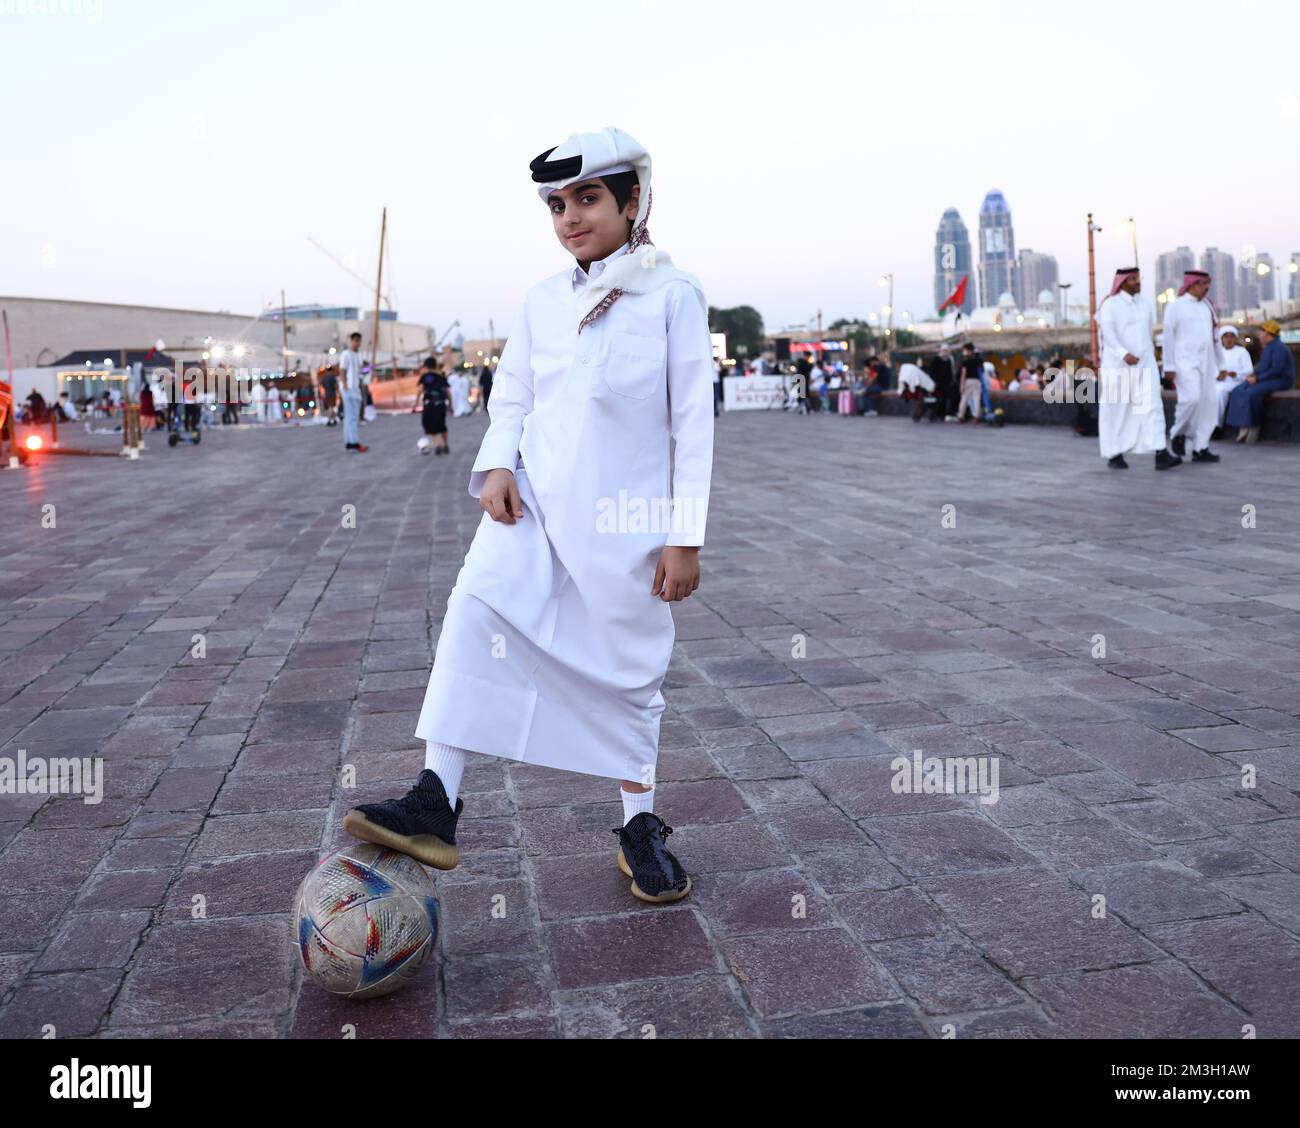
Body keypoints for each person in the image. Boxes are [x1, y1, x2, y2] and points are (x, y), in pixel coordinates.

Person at [343, 127, 713, 904]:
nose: (570, 218)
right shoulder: (542, 301)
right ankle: (436, 799)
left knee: (630, 677)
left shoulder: (673, 296)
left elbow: (692, 426)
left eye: (587, 199)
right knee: (473, 613)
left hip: (626, 524)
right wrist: (498, 463)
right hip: (534, 510)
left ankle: (638, 824)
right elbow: (511, 395)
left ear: (633, 201)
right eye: (557, 205)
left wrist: (685, 539)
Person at [1095, 267, 1179, 470]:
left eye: (1137, 278)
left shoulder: (1146, 304)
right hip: (1118, 366)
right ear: (1121, 282)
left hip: (1145, 363)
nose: (1137, 282)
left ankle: (1160, 452)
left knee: (1153, 405)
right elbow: (1109, 335)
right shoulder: (1110, 305)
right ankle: (1115, 454)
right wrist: (1124, 354)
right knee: (1118, 409)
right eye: (1132, 279)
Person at [1163, 269, 1220, 462]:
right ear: (1193, 284)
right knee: (1191, 399)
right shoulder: (1175, 307)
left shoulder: (1207, 307)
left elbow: (1215, 338)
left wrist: (1222, 365)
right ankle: (1177, 433)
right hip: (1184, 362)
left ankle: (1200, 447)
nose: (1207, 287)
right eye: (1204, 283)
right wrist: (1168, 366)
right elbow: (1168, 338)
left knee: (1208, 404)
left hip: (1207, 362)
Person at [1225, 319, 1295, 443]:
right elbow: (1263, 366)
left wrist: (1257, 379)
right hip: (1266, 378)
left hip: (1280, 380)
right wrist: (1253, 374)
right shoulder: (1268, 347)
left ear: (1268, 334)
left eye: (1261, 332)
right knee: (1238, 390)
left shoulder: (1279, 348)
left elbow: (1276, 370)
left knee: (1252, 393)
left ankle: (1254, 426)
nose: (1259, 335)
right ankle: (1242, 424)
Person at [1213, 325, 1252, 434]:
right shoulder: (1217, 352)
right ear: (1222, 339)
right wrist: (1217, 375)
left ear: (1235, 339)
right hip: (1218, 381)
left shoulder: (1242, 352)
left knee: (1220, 393)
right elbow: (1210, 369)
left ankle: (1217, 426)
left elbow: (1249, 371)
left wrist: (1235, 374)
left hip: (1236, 382)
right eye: (1226, 336)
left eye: (1231, 336)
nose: (1228, 339)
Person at [339, 331, 368, 452]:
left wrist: (369, 368)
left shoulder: (358, 355)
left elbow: (360, 371)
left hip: (355, 388)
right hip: (349, 388)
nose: (357, 343)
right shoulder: (346, 354)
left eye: (359, 340)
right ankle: (354, 442)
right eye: (355, 340)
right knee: (352, 417)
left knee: (350, 416)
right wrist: (345, 385)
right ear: (351, 341)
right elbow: (342, 370)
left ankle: (349, 442)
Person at [415, 356, 450, 454]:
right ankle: (446, 444)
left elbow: (420, 391)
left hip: (429, 405)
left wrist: (415, 404)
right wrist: (450, 404)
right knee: (442, 425)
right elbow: (447, 392)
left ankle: (438, 445)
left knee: (429, 425)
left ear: (426, 366)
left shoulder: (425, 377)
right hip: (441, 404)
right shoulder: (441, 377)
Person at [956, 343, 983, 421]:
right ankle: (977, 416)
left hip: (968, 381)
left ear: (969, 351)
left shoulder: (965, 361)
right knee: (976, 399)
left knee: (964, 398)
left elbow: (963, 374)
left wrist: (961, 385)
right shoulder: (977, 360)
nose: (963, 352)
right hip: (977, 381)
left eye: (964, 350)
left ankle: (961, 416)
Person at [930, 345, 957, 420]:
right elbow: (932, 371)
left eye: (947, 351)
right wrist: (935, 381)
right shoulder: (936, 359)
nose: (945, 352)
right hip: (937, 383)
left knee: (945, 399)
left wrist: (952, 380)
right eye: (944, 350)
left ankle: (942, 414)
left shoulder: (949, 360)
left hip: (947, 383)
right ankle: (935, 414)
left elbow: (951, 372)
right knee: (937, 399)